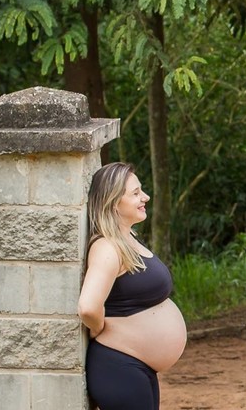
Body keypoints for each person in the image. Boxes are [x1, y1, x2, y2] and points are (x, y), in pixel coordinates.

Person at [78, 163, 188, 410]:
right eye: (136, 193)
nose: (145, 197)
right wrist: (99, 329)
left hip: (136, 366)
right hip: (119, 367)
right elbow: (87, 307)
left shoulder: (126, 238)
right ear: (115, 202)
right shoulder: (107, 248)